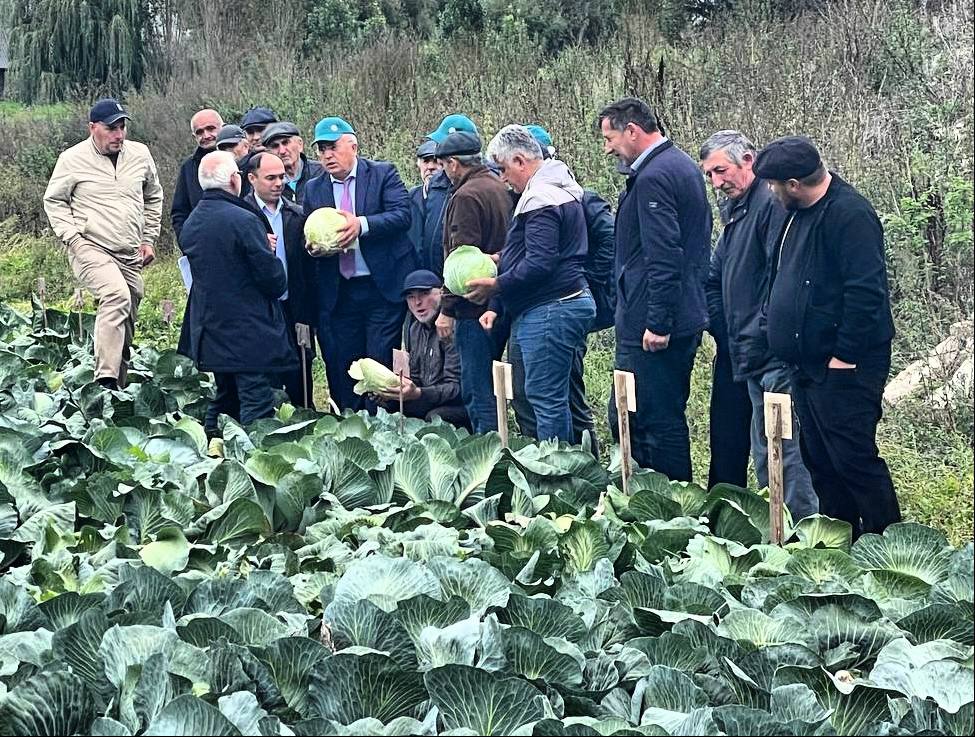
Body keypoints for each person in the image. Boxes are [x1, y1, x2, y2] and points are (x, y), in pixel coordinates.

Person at [756, 135, 900, 537]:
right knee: (821, 461)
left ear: (794, 184)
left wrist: (845, 357)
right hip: (806, 365)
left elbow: (866, 292)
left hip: (844, 367)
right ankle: (842, 542)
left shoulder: (849, 215)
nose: (771, 191)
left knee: (854, 460)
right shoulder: (795, 213)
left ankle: (886, 541)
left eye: (774, 184)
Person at [701, 130, 817, 518]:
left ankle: (802, 533)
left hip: (775, 356)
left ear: (748, 161)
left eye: (721, 171)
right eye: (710, 175)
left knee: (786, 451)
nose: (716, 182)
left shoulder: (772, 204)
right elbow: (714, 278)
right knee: (765, 450)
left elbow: (783, 278)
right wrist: (726, 329)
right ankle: (776, 531)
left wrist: (764, 330)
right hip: (747, 353)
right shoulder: (737, 211)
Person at [598, 97, 712, 482]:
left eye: (610, 138)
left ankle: (672, 502)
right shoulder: (677, 166)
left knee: (653, 421)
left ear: (632, 131)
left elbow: (664, 255)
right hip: (666, 314)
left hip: (655, 326)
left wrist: (658, 322)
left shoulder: (655, 177)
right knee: (643, 415)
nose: (608, 148)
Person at [467, 125, 595, 443]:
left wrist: (495, 286)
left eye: (503, 169)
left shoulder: (541, 197)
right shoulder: (552, 189)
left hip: (551, 307)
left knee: (546, 398)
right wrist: (502, 272)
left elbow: (540, 263)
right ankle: (549, 461)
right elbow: (538, 253)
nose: (503, 178)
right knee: (535, 394)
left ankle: (556, 467)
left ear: (520, 161)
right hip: (548, 306)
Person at [43, 98, 163, 390]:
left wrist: (148, 238)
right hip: (90, 246)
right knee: (115, 295)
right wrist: (72, 238)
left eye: (122, 127)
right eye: (111, 128)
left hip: (129, 251)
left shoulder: (140, 154)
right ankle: (105, 380)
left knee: (128, 312)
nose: (119, 135)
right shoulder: (72, 159)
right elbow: (54, 201)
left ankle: (115, 392)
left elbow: (153, 196)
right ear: (93, 128)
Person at [509, 124, 615, 453]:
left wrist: (585, 279)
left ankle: (582, 463)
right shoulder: (527, 200)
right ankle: (542, 458)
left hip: (563, 305)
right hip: (540, 307)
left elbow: (610, 240)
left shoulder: (576, 197)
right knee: (537, 393)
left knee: (566, 394)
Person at [177, 151, 296, 437]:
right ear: (234, 179)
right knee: (256, 403)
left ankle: (210, 449)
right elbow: (273, 280)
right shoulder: (243, 220)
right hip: (247, 334)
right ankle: (255, 457)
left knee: (225, 397)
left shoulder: (191, 223)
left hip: (212, 331)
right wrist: (268, 252)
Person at [304, 116, 415, 412]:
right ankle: (351, 423)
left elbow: (402, 215)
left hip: (381, 288)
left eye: (333, 147)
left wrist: (362, 225)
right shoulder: (314, 189)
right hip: (340, 292)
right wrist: (314, 249)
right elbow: (308, 232)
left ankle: (382, 422)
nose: (327, 155)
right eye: (322, 149)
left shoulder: (382, 174)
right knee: (346, 363)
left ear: (353, 146)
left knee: (378, 362)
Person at [434, 130, 512, 433]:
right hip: (501, 300)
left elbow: (460, 260)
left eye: (444, 164)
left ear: (453, 163)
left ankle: (488, 449)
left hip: (473, 306)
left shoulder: (466, 196)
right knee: (495, 385)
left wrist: (447, 309)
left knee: (478, 388)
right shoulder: (498, 186)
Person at [244, 151, 318, 408]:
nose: (279, 183)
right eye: (271, 178)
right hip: (259, 310)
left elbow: (308, 269)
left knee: (301, 371)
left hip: (294, 307)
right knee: (267, 375)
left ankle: (306, 418)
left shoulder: (296, 215)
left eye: (282, 177)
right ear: (252, 178)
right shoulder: (241, 215)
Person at [376, 270, 468, 427]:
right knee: (389, 406)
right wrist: (393, 390)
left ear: (441, 293)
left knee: (435, 417)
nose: (417, 302)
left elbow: (458, 389)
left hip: (459, 404)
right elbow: (416, 376)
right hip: (429, 398)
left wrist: (419, 393)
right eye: (411, 297)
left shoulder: (453, 327)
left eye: (424, 294)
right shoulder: (414, 329)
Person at [171, 108, 223, 239]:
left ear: (223, 127)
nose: (206, 135)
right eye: (200, 132)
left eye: (211, 129)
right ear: (194, 137)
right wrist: (187, 241)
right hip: (203, 243)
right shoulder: (188, 167)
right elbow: (180, 212)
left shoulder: (239, 158)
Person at [408, 139, 451, 275]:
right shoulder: (409, 197)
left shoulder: (452, 197)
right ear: (418, 164)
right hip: (414, 275)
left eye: (436, 161)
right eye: (426, 161)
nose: (431, 167)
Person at [261, 122, 324, 206]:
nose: (282, 151)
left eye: (285, 143)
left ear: (300, 144)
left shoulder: (321, 172)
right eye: (275, 146)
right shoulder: (265, 183)